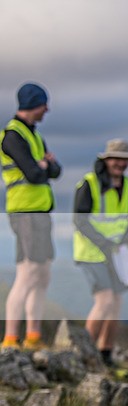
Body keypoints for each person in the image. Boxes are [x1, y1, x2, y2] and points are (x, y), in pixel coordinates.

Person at [1, 83, 61, 351]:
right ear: (32, 103)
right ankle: (11, 339)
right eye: (43, 103)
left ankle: (33, 336)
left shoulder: (33, 135)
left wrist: (45, 165)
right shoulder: (12, 136)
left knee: (42, 273)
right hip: (25, 212)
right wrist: (44, 165)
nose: (47, 109)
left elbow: (53, 170)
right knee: (28, 272)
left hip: (40, 212)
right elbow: (34, 174)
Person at [73, 139, 128, 366]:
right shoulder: (89, 184)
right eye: (116, 159)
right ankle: (83, 354)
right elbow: (79, 221)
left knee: (116, 302)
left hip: (117, 253)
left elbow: (124, 221)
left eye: (125, 160)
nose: (120, 163)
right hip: (91, 253)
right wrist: (104, 243)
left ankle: (105, 353)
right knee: (105, 300)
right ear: (106, 160)